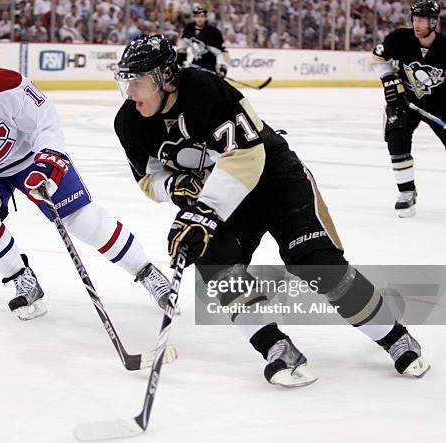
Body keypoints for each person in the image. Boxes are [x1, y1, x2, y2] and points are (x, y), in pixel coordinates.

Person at [113, 34, 430, 387]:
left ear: (166, 78)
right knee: (214, 261)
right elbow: (149, 177)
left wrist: (204, 211)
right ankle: (277, 348)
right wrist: (176, 187)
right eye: (125, 82)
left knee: (316, 263)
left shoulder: (204, 90)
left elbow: (247, 156)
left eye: (138, 83)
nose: (130, 93)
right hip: (221, 193)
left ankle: (396, 337)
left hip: (273, 178)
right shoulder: (129, 122)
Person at [0, 37, 172, 321]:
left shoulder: (4, 85)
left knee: (84, 221)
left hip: (30, 159)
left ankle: (146, 272)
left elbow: (46, 120)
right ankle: (21, 278)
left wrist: (49, 159)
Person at [371, 0, 445, 217]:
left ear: (434, 22)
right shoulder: (399, 39)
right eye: (415, 19)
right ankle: (406, 192)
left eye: (422, 20)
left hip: (440, 104)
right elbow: (377, 56)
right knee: (396, 137)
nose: (416, 24)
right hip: (405, 101)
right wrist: (388, 79)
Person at [175, 3, 228, 78]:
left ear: (206, 17)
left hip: (210, 66)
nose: (199, 19)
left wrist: (222, 68)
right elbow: (182, 46)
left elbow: (221, 53)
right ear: (194, 17)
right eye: (197, 16)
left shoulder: (214, 32)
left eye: (202, 16)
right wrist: (180, 59)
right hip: (194, 64)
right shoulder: (189, 29)